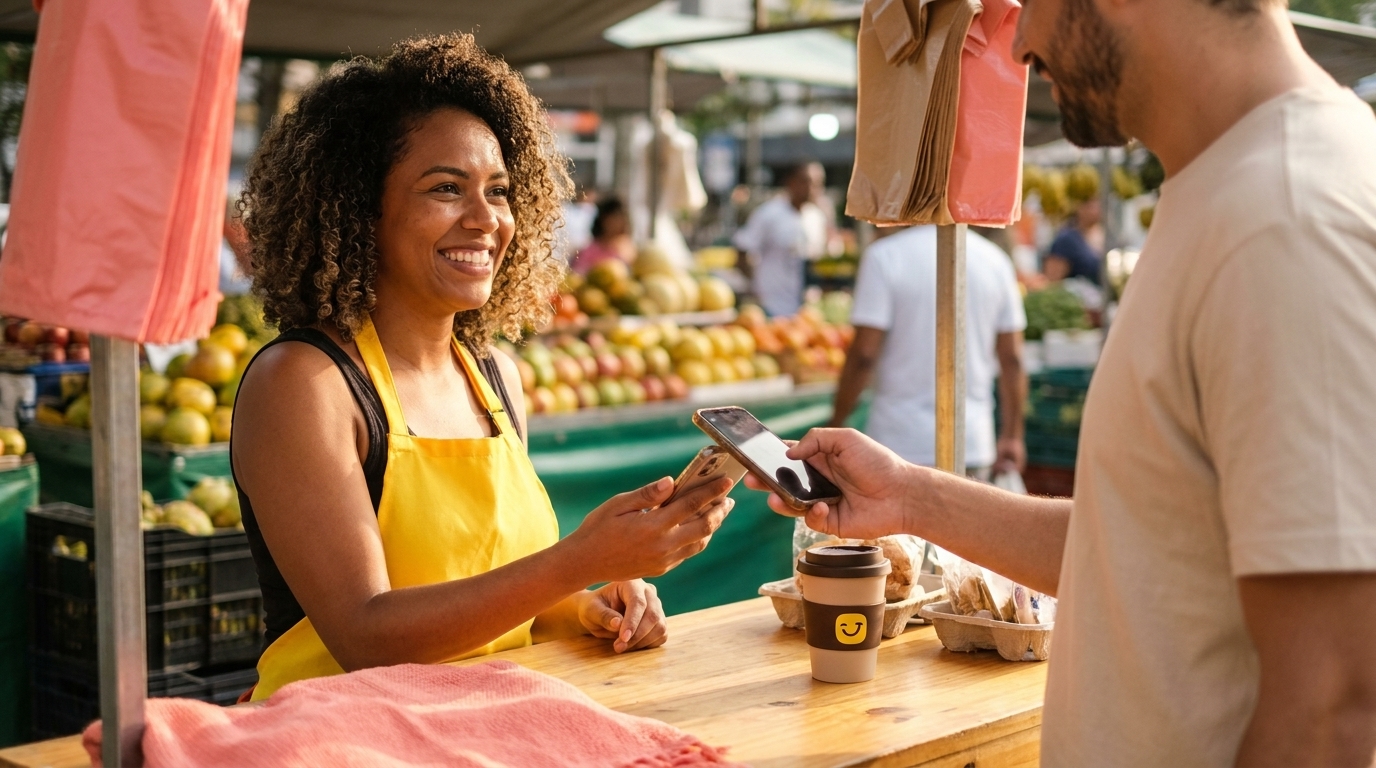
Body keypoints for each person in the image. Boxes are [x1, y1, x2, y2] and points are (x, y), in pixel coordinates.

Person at [748, 0, 1376, 762]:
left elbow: (1335, 701)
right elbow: (1149, 544)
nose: (1018, 40)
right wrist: (911, 496)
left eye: (1029, 0)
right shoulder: (1237, 192)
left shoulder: (1287, 219)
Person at [232, 35, 734, 701]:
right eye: (446, 188)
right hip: (340, 739)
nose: (486, 220)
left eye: (498, 191)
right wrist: (578, 561)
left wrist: (580, 606)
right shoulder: (303, 383)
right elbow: (364, 635)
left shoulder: (495, 376)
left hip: (485, 729)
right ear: (360, 209)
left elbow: (493, 589)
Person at [829, 225, 1026, 480]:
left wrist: (836, 422)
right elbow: (1012, 360)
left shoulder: (885, 256)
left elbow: (864, 355)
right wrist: (1012, 435)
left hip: (896, 445)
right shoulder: (994, 260)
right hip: (971, 444)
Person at [732, 161, 829, 317]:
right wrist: (755, 288)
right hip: (771, 306)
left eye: (817, 184)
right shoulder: (769, 214)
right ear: (790, 182)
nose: (812, 189)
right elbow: (742, 250)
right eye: (806, 181)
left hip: (806, 311)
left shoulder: (816, 218)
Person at [1043, 197, 1103, 284]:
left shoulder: (1105, 235)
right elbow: (1052, 279)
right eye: (1090, 206)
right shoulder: (1066, 239)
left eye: (1098, 204)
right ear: (1078, 208)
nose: (1096, 210)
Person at [569, 195, 635, 275]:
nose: (617, 224)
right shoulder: (588, 252)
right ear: (602, 221)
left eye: (620, 219)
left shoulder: (629, 249)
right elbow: (577, 276)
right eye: (613, 220)